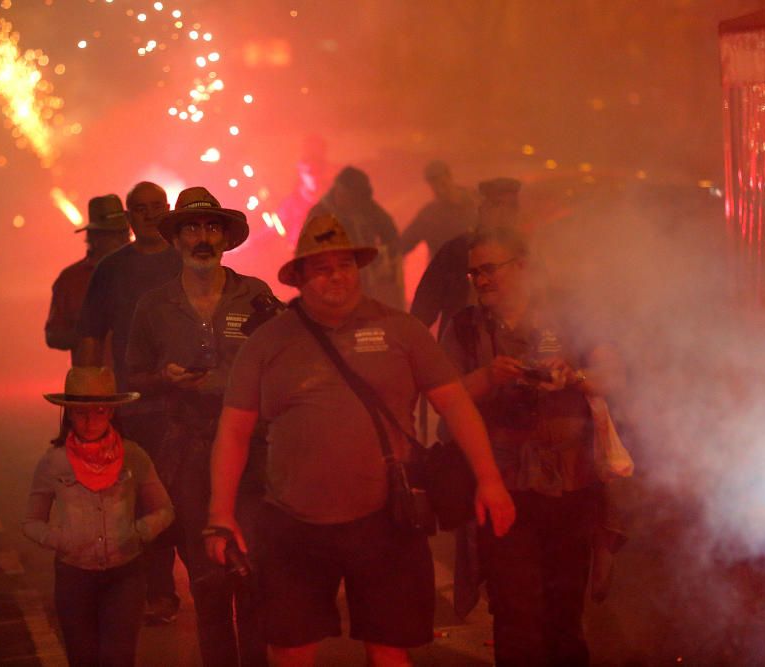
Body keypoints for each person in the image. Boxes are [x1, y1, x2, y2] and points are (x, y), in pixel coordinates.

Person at [206, 214, 515, 667]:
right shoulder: (267, 342)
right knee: (290, 649)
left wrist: (490, 480)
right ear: (299, 278)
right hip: (293, 523)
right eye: (322, 267)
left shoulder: (399, 330)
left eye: (345, 265)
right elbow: (233, 431)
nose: (337, 276)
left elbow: (455, 404)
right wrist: (220, 514)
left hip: (386, 519)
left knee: (390, 649)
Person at [440, 225, 625, 666]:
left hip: (572, 487)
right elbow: (442, 396)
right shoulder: (465, 329)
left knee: (565, 613)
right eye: (474, 274)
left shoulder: (572, 317)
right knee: (515, 614)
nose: (481, 281)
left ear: (521, 267)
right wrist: (489, 377)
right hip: (502, 489)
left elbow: (613, 377)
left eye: (489, 269)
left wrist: (572, 377)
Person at [124, 186, 273, 667]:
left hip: (253, 455)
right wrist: (163, 379)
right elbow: (134, 375)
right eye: (191, 228)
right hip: (187, 456)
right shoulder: (154, 306)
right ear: (176, 239)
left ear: (226, 238)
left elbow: (284, 363)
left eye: (211, 227)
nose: (202, 237)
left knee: (251, 575)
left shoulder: (257, 296)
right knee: (207, 583)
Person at [76, 181, 183, 622]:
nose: (150, 216)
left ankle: (208, 586)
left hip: (192, 405)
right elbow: (89, 334)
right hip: (134, 407)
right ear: (129, 216)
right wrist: (85, 404)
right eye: (141, 209)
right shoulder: (111, 270)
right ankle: (159, 593)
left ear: (168, 210)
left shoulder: (189, 260)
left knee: (193, 497)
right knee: (145, 501)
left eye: (158, 207)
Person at [22, 366, 174, 667]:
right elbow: (30, 522)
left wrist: (139, 531)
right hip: (74, 576)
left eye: (99, 411)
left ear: (112, 413)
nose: (90, 421)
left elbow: (165, 510)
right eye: (80, 412)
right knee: (82, 658)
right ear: (68, 415)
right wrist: (62, 539)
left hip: (125, 574)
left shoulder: (134, 456)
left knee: (119, 658)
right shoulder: (53, 463)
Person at [411, 177, 522, 338]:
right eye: (497, 205)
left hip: (515, 353)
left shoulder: (526, 252)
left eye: (512, 206)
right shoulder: (455, 251)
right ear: (483, 209)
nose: (505, 213)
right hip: (463, 348)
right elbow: (424, 308)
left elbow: (544, 306)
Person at [45, 195, 130, 361]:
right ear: (95, 238)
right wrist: (88, 335)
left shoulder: (140, 271)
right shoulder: (71, 279)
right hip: (93, 382)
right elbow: (53, 336)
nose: (122, 240)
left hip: (135, 381)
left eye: (124, 233)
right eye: (114, 235)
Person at [307, 166, 404, 310]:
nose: (351, 202)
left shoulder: (366, 207)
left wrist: (385, 257)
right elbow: (308, 254)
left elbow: (391, 234)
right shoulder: (320, 215)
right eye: (347, 196)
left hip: (368, 284)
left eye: (355, 199)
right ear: (339, 190)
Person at [400, 160, 477, 259]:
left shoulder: (477, 203)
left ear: (449, 177)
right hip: (446, 271)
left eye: (443, 184)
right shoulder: (429, 216)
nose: (440, 190)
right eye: (435, 186)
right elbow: (404, 243)